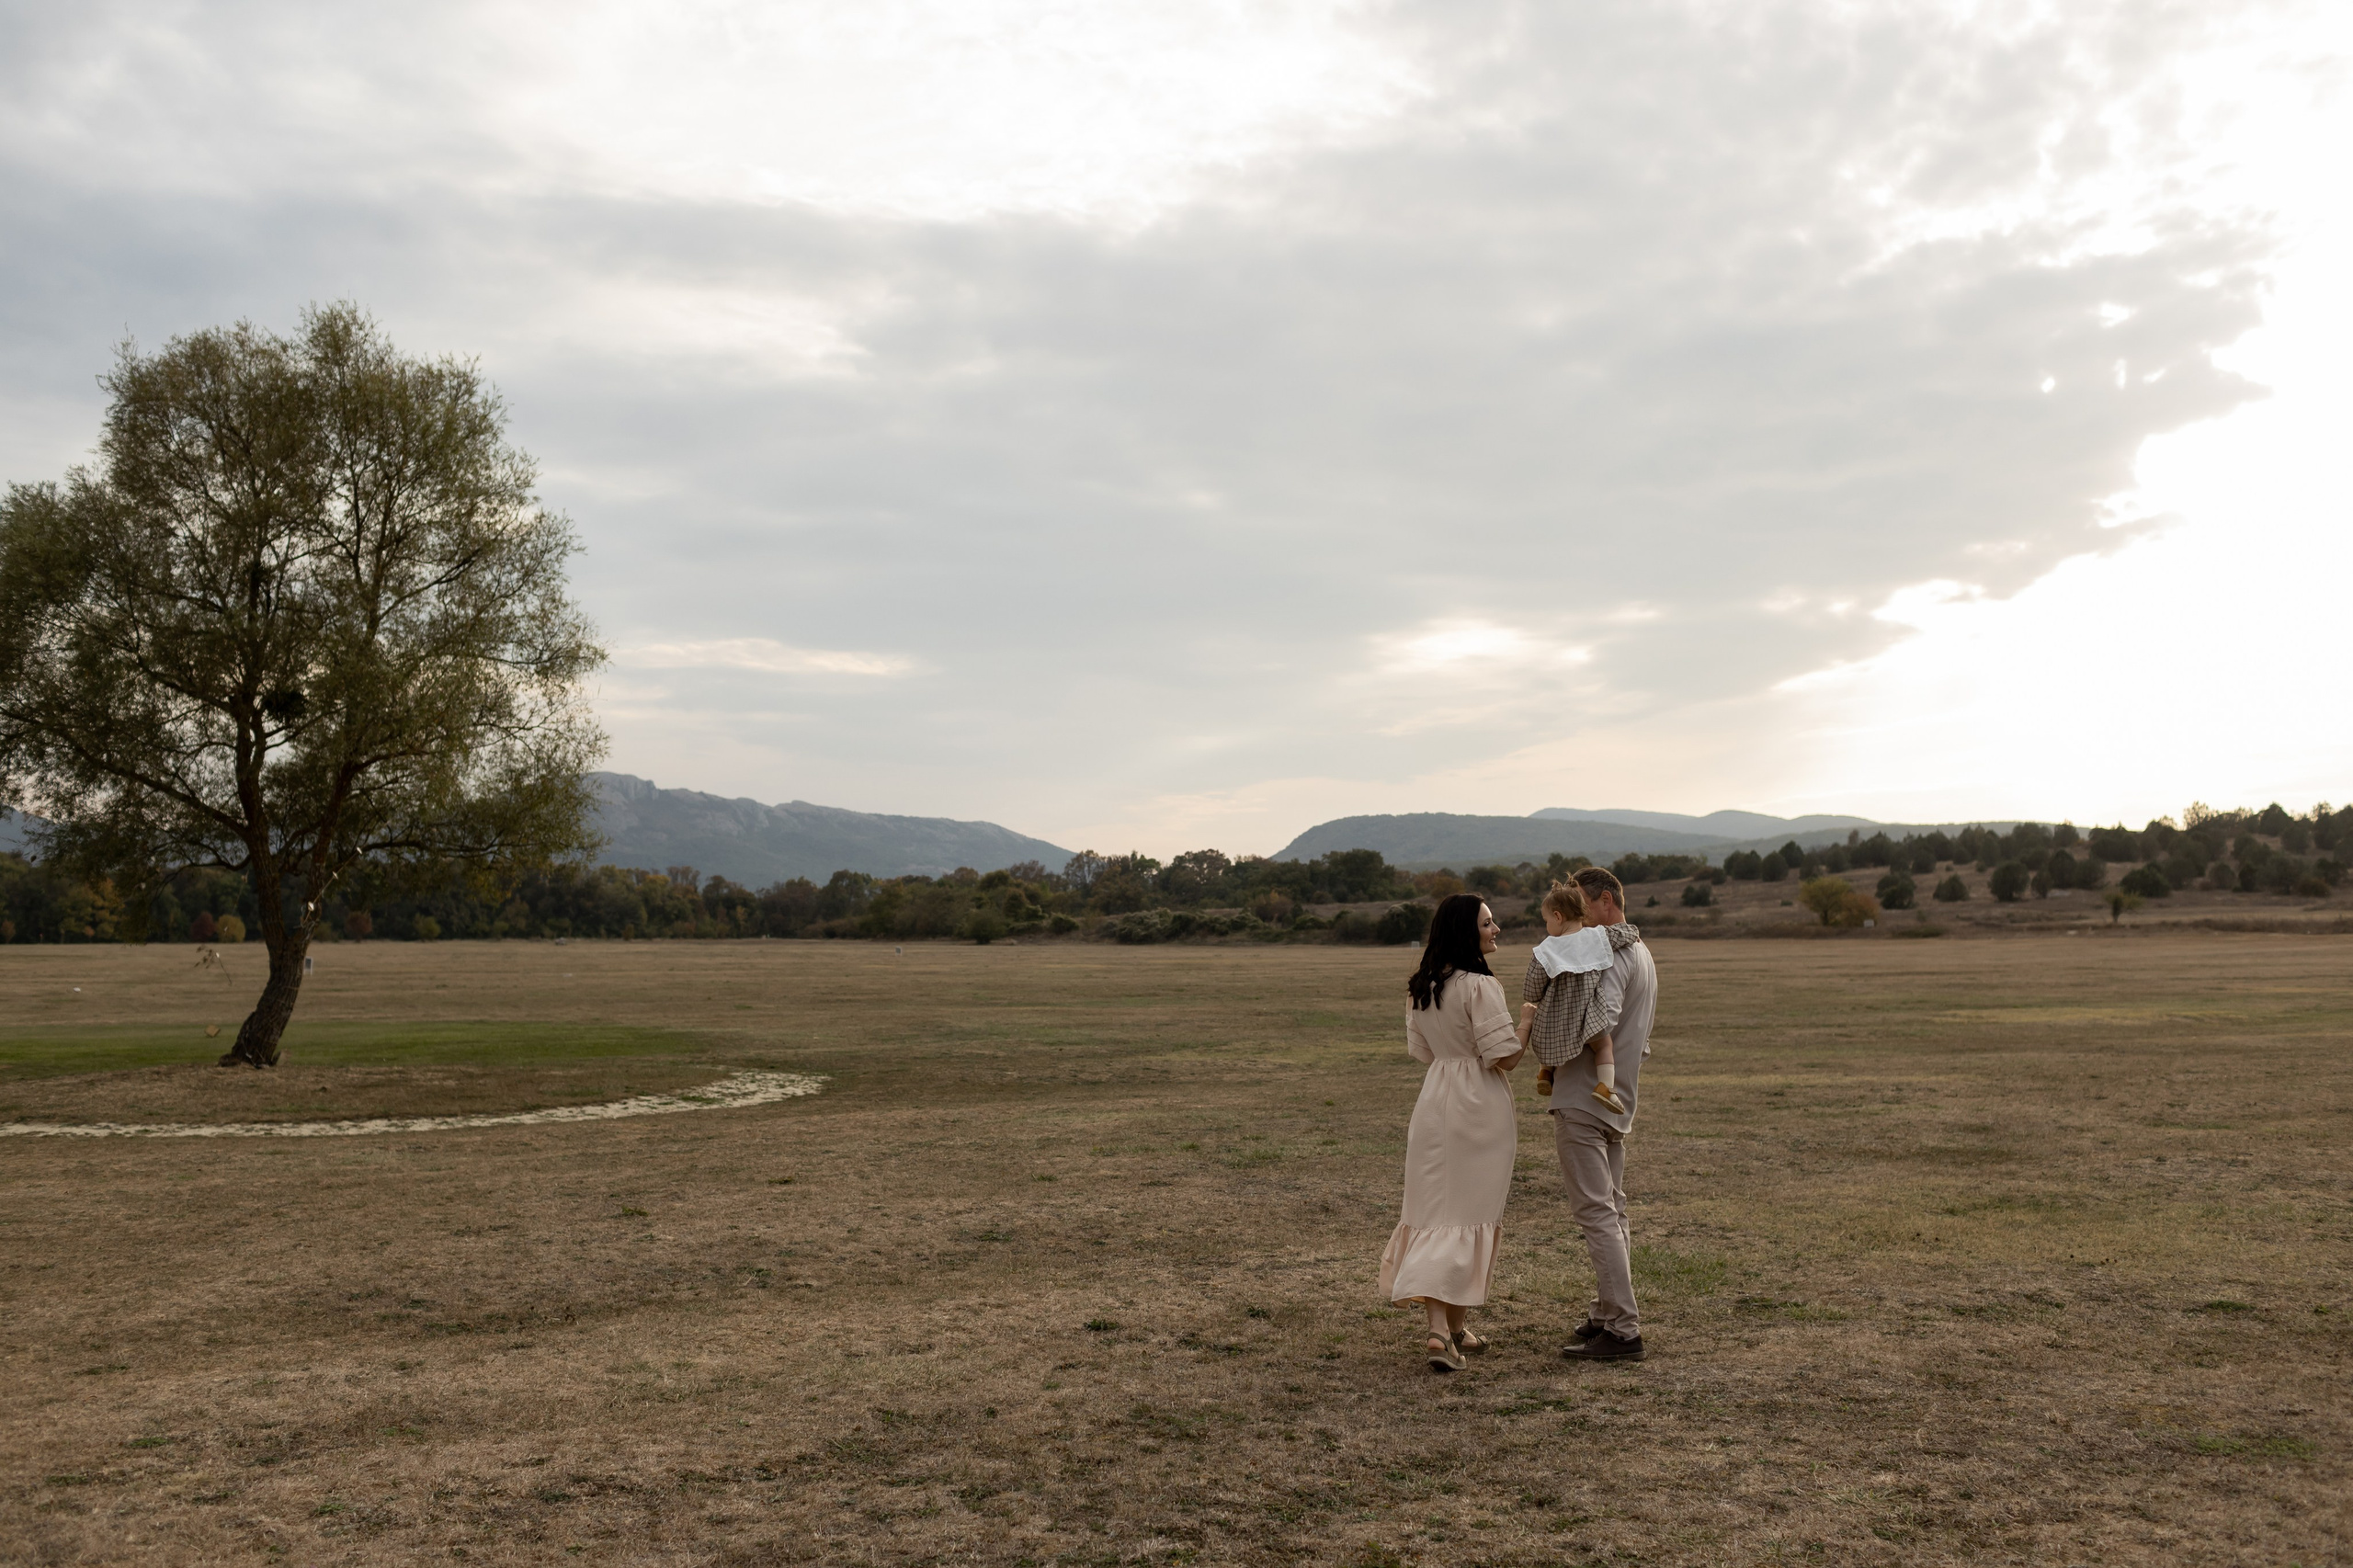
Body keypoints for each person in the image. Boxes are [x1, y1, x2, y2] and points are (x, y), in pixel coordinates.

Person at [1379, 893, 1525, 1371]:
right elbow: (1502, 1057)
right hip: (1478, 1104)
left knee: (1435, 1210)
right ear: (1468, 931)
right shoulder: (1480, 985)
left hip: (1436, 1097)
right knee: (1467, 1212)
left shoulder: (1422, 986)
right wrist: (1527, 1022)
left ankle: (1453, 1329)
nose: (1495, 929)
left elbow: (1422, 1052)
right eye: (1487, 923)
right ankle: (1440, 1331)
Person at [1547, 866, 1656, 1363]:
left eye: (1583, 909)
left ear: (1606, 902)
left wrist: (1552, 1030)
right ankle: (1608, 1314)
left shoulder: (1611, 952)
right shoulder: (1645, 954)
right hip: (1616, 1100)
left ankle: (1624, 1330)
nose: (1578, 922)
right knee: (1613, 1210)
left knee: (1597, 1214)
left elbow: (1603, 1020)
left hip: (1585, 1099)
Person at [1517, 881, 1631, 1113]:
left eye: (1546, 920)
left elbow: (1531, 991)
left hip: (1555, 1020)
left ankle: (1545, 1072)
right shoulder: (1598, 936)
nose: (1547, 925)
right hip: (1588, 1017)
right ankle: (1606, 1087)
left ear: (1558, 917)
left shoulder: (1546, 949)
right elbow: (1627, 932)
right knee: (1603, 1045)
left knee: (1546, 1033)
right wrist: (1633, 936)